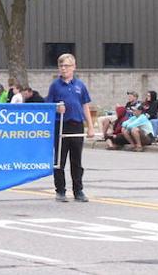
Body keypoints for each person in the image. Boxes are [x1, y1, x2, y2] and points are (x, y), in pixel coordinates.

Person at [46, 53, 94, 203]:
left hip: (76, 124)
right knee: (60, 160)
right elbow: (49, 105)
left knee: (76, 160)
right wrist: (56, 108)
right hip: (61, 125)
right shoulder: (55, 85)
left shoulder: (80, 85)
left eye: (67, 65)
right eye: (61, 66)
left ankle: (78, 190)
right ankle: (60, 190)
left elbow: (85, 106)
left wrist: (90, 127)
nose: (64, 68)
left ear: (73, 67)